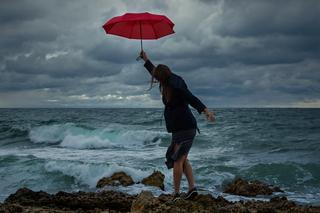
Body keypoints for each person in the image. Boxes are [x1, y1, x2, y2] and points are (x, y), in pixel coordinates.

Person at [140, 51, 215, 201]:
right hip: (180, 129)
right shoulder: (166, 80)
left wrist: (205, 110)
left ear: (163, 78)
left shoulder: (176, 84)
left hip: (185, 128)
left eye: (158, 79)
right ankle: (192, 189)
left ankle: (175, 193)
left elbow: (191, 97)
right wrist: (146, 59)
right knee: (182, 159)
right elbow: (155, 71)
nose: (156, 80)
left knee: (177, 161)